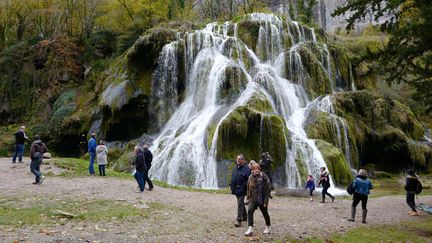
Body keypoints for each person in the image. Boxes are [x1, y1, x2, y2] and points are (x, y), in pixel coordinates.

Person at [244, 163, 272, 236]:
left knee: (265, 213)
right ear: (252, 170)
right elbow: (248, 188)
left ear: (260, 169)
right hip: (253, 198)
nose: (256, 170)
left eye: (258, 169)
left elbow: (268, 188)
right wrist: (247, 198)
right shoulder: (250, 177)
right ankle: (250, 228)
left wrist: (266, 201)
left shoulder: (264, 176)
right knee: (250, 211)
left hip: (262, 198)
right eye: (254, 169)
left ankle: (268, 226)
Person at [230, 154, 251, 227]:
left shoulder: (246, 169)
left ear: (243, 160)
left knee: (239, 203)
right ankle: (245, 216)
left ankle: (239, 219)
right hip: (235, 189)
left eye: (240, 159)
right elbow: (233, 177)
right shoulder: (235, 168)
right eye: (237, 159)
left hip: (242, 189)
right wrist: (231, 186)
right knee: (241, 202)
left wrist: (243, 187)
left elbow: (248, 180)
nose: (238, 160)